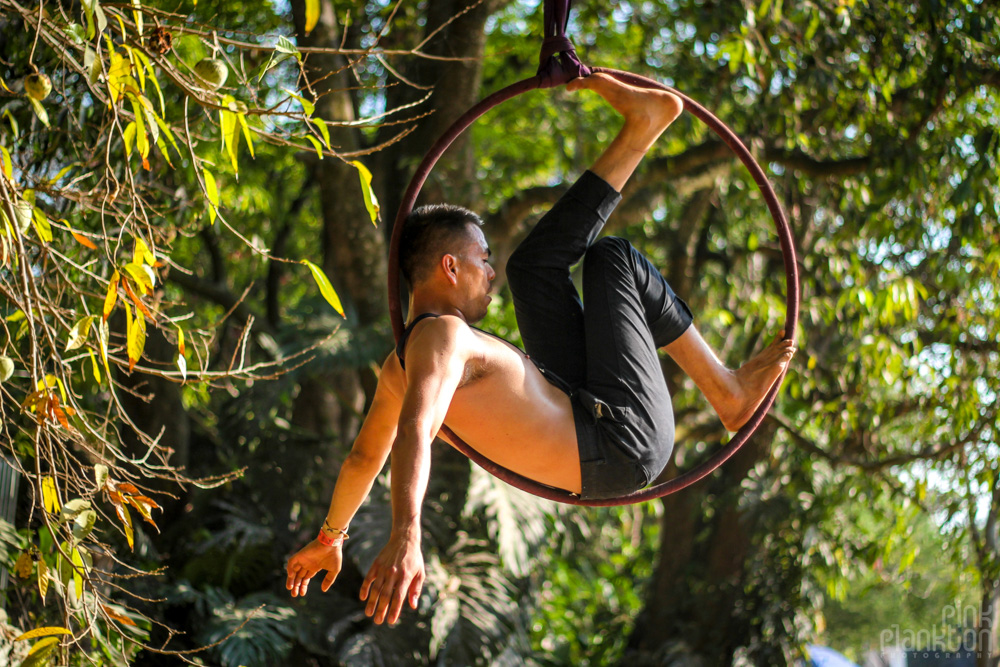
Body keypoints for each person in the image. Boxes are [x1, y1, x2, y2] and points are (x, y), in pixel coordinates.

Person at [285, 72, 796, 625]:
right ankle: (727, 390)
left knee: (533, 269)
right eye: (481, 260)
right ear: (449, 268)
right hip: (619, 439)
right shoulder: (442, 336)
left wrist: (330, 536)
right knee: (613, 259)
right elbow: (415, 431)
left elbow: (365, 457)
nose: (490, 273)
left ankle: (642, 127)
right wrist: (407, 533)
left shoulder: (398, 367)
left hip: (591, 414)